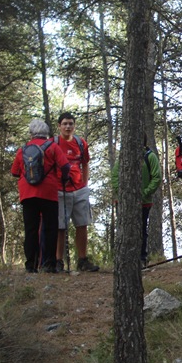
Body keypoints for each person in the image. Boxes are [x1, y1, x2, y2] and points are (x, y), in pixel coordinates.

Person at [11, 119, 72, 273]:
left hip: (27, 193)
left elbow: (14, 172)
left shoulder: (23, 149)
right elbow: (65, 166)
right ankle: (49, 264)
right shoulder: (52, 147)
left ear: (31, 133)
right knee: (50, 228)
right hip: (49, 192)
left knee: (30, 229)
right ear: (46, 133)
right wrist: (63, 177)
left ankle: (31, 265)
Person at [52, 112, 99, 272]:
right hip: (60, 190)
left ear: (74, 126)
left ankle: (82, 259)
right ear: (59, 126)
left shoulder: (81, 143)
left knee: (82, 224)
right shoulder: (54, 143)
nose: (68, 126)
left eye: (70, 123)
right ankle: (58, 261)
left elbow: (85, 163)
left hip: (79, 190)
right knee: (60, 227)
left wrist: (84, 185)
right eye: (64, 123)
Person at [111, 134, 162, 267]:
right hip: (123, 202)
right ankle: (123, 259)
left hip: (144, 202)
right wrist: (122, 194)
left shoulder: (150, 156)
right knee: (123, 230)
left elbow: (156, 177)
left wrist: (144, 193)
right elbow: (115, 176)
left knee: (141, 229)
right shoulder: (124, 155)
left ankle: (141, 258)